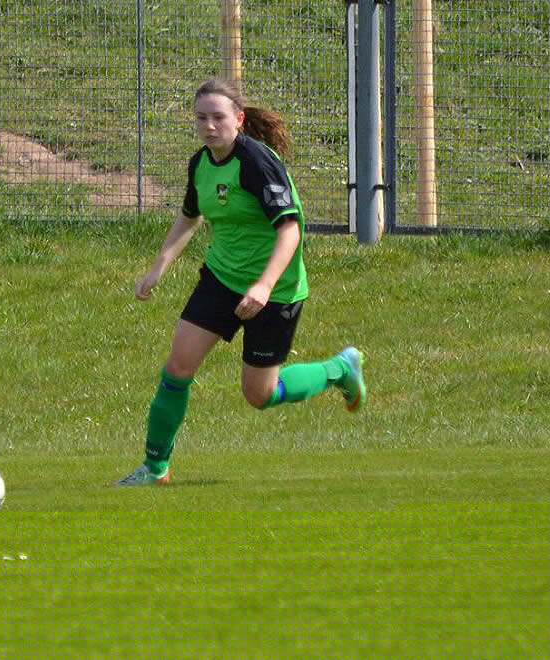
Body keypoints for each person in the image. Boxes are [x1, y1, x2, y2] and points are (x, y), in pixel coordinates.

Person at [115, 79, 366, 487]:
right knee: (178, 367)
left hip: (277, 288)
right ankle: (155, 468)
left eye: (218, 117)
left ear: (239, 119)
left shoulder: (256, 162)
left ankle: (340, 369)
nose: (209, 126)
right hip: (221, 278)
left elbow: (290, 230)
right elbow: (190, 216)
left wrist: (264, 286)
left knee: (259, 395)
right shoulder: (200, 163)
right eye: (201, 118)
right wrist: (158, 267)